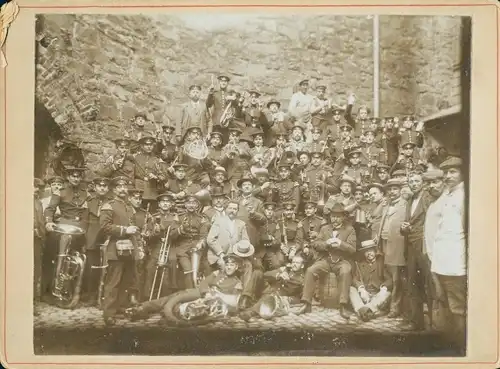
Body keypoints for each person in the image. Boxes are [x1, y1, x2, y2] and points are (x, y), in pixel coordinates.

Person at [125, 254, 244, 321]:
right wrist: (206, 292)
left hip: (208, 303)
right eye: (227, 264)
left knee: (174, 305)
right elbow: (203, 283)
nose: (228, 267)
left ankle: (144, 310)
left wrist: (217, 296)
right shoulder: (217, 273)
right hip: (198, 293)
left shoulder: (236, 283)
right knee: (172, 297)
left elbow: (234, 303)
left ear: (236, 267)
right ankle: (141, 308)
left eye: (232, 265)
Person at [426, 157, 467, 350]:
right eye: (447, 172)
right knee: (444, 304)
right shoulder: (449, 195)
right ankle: (449, 344)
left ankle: (461, 349)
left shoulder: (464, 196)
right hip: (441, 261)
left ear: (463, 172)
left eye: (453, 172)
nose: (449, 176)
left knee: (457, 307)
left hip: (456, 262)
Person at [297, 203, 356, 319]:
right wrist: (326, 243)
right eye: (333, 216)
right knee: (310, 270)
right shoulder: (325, 229)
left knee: (345, 271)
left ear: (343, 217)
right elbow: (316, 244)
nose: (335, 219)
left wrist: (341, 244)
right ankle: (306, 303)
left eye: (338, 216)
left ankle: (342, 305)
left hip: (341, 260)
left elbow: (353, 249)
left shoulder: (349, 229)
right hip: (326, 260)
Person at [99, 176, 140, 325]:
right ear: (114, 189)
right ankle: (108, 313)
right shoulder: (108, 206)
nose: (123, 189)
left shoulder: (129, 207)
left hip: (129, 249)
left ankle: (120, 307)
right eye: (119, 187)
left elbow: (134, 229)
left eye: (125, 186)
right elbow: (104, 227)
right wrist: (124, 229)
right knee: (113, 282)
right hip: (115, 249)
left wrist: (138, 248)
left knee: (126, 281)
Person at [400, 171, 434, 330]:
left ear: (423, 182)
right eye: (411, 181)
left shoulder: (427, 198)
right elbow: (408, 222)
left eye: (416, 181)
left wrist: (416, 229)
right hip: (411, 245)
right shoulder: (410, 200)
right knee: (413, 282)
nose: (413, 183)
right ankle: (416, 320)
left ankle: (434, 322)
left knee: (428, 283)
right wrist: (404, 227)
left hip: (424, 244)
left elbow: (432, 221)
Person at [374, 177, 407, 318]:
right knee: (386, 277)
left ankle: (395, 307)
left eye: (395, 189)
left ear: (400, 190)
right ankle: (385, 304)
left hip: (398, 245)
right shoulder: (386, 205)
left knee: (397, 278)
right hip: (384, 244)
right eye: (390, 189)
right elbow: (379, 220)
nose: (392, 192)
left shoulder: (405, 205)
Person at [239, 254, 306, 321]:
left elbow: (298, 296)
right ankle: (245, 299)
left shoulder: (301, 279)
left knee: (270, 297)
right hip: (269, 289)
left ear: (302, 266)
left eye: (297, 263)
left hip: (278, 297)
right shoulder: (286, 269)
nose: (294, 264)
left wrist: (289, 299)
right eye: (293, 262)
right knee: (257, 273)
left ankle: (250, 313)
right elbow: (265, 274)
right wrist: (278, 275)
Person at [82, 177, 111, 305]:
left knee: (107, 268)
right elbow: (84, 222)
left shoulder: (111, 203)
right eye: (100, 185)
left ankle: (104, 296)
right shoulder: (89, 202)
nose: (102, 188)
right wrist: (83, 240)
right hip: (91, 237)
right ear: (95, 187)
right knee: (91, 267)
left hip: (107, 237)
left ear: (108, 188)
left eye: (105, 186)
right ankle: (90, 295)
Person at [350, 240, 392, 322]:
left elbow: (390, 279)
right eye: (366, 252)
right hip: (365, 296)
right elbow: (355, 279)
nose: (369, 253)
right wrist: (361, 289)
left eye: (370, 251)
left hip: (377, 295)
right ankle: (369, 311)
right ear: (363, 254)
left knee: (387, 294)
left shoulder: (381, 263)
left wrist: (384, 288)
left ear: (375, 251)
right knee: (351, 290)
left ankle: (363, 311)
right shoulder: (360, 264)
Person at [206, 201, 250, 271]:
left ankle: (243, 282)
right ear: (226, 209)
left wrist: (240, 251)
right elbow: (210, 240)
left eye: (235, 209)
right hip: (218, 255)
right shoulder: (218, 221)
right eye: (230, 208)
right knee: (225, 266)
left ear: (237, 211)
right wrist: (220, 253)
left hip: (235, 255)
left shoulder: (241, 224)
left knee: (248, 266)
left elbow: (246, 240)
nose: (232, 211)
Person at [34, 178, 46, 315]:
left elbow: (41, 221)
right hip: (28, 240)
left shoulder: (38, 202)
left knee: (36, 271)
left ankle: (34, 302)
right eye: (35, 186)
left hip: (38, 241)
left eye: (39, 187)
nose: (37, 189)